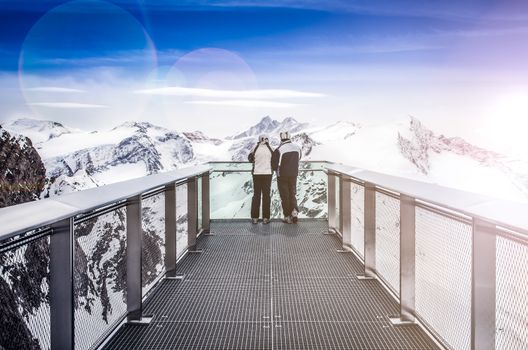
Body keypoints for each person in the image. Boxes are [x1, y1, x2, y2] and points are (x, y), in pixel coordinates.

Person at [271, 131, 301, 224]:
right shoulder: (297, 148)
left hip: (282, 175)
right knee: (292, 194)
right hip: (294, 174)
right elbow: (299, 158)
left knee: (285, 196)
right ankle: (294, 212)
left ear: (281, 138)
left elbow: (274, 165)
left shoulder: (279, 149)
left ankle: (287, 216)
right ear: (289, 137)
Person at [248, 135, 274, 224]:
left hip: (257, 174)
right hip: (268, 174)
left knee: (256, 195)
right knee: (266, 196)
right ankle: (266, 218)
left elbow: (250, 159)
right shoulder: (271, 148)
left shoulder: (254, 147)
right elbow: (275, 159)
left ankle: (255, 218)